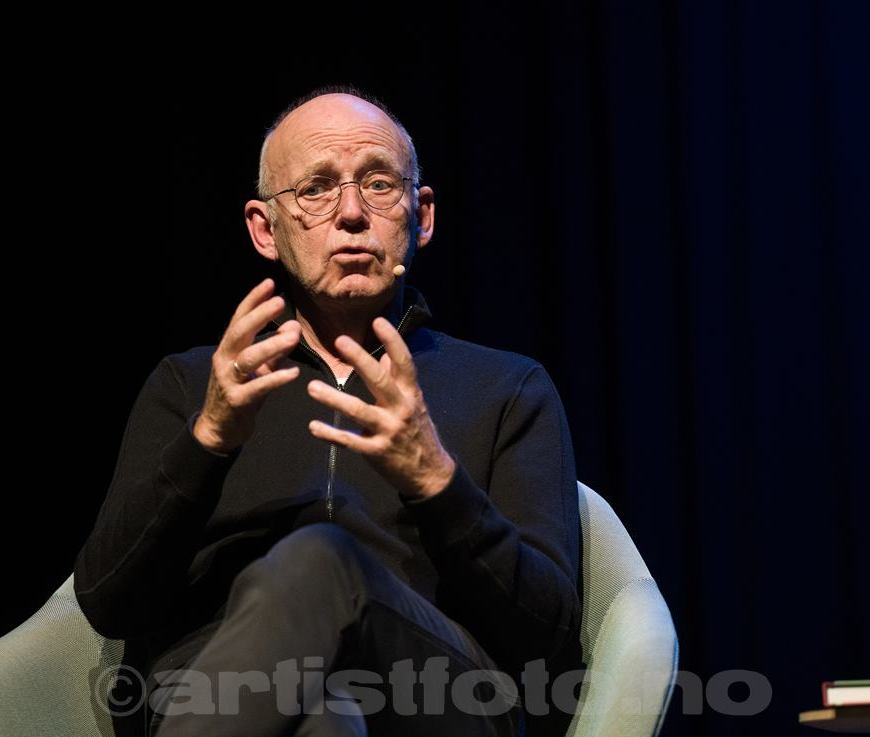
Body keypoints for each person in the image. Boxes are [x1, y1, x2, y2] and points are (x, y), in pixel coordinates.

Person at [74, 86, 583, 737]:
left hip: (434, 693)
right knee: (325, 721)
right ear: (265, 228)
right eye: (315, 188)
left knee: (323, 560)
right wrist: (209, 439)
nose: (350, 212)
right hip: (222, 687)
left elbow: (551, 638)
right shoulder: (195, 384)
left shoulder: (508, 388)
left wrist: (435, 478)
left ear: (421, 214)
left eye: (377, 183)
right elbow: (107, 601)